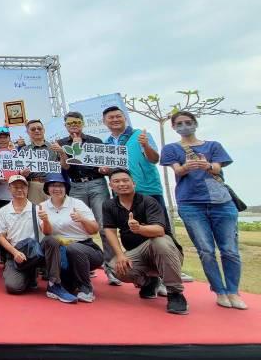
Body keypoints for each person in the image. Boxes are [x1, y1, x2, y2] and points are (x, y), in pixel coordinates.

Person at [160, 111, 245, 310]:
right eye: (179, 123)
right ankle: (220, 291)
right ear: (173, 127)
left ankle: (233, 291)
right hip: (190, 203)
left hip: (221, 202)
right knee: (206, 250)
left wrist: (206, 165)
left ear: (195, 123)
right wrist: (186, 166)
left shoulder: (213, 146)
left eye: (188, 122)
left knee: (230, 250)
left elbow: (217, 167)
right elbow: (177, 171)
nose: (184, 126)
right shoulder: (171, 148)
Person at [102, 106, 196, 283]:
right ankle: (149, 278)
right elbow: (114, 173)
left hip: (148, 189)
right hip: (123, 196)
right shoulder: (106, 143)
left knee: (162, 233)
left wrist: (145, 145)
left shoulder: (140, 135)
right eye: (110, 117)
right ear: (104, 122)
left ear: (124, 118)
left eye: (118, 116)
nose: (115, 120)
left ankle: (172, 270)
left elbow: (154, 159)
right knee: (131, 233)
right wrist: (105, 170)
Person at [102, 169, 188, 315]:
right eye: (116, 181)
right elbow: (109, 230)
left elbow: (159, 230)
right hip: (138, 253)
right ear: (111, 185)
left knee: (159, 242)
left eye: (125, 180)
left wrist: (139, 228)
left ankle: (175, 293)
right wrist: (120, 255)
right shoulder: (109, 205)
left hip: (165, 251)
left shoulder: (148, 201)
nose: (122, 184)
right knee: (115, 267)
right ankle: (149, 281)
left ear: (133, 183)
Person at [58, 111, 121, 286]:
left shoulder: (95, 141)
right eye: (70, 123)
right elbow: (65, 167)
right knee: (77, 226)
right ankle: (85, 263)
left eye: (77, 122)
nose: (73, 125)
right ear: (65, 125)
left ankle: (112, 269)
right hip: (76, 185)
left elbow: (106, 166)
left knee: (103, 225)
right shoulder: (62, 144)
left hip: (97, 183)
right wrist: (66, 152)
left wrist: (105, 170)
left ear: (82, 123)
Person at [37, 173, 103, 304]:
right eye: (53, 185)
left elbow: (94, 229)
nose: (57, 189)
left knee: (73, 248)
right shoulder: (42, 206)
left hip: (85, 248)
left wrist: (82, 219)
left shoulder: (77, 203)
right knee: (50, 240)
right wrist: (45, 220)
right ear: (47, 188)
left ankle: (86, 287)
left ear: (66, 187)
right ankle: (56, 283)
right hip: (60, 252)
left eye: (60, 185)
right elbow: (47, 232)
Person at [0, 175, 43, 295]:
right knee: (13, 287)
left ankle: (51, 280)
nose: (19, 190)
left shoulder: (37, 209)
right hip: (14, 253)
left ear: (27, 189)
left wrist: (47, 221)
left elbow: (47, 232)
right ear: (9, 189)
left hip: (34, 253)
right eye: (15, 187)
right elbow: (1, 236)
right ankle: (27, 274)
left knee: (52, 244)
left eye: (22, 187)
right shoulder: (3, 211)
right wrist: (15, 252)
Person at [18, 120, 65, 205]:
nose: (37, 131)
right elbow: (19, 170)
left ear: (44, 130)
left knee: (55, 213)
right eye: (33, 129)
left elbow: (64, 166)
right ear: (28, 132)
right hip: (33, 185)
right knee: (36, 214)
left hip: (53, 184)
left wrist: (62, 152)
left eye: (39, 128)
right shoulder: (24, 150)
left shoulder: (54, 147)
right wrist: (23, 173)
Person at [0, 126, 15, 263]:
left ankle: (14, 254)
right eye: (0, 136)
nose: (2, 139)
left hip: (14, 197)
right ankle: (4, 256)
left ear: (9, 138)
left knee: (14, 228)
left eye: (5, 136)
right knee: (0, 227)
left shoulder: (16, 154)